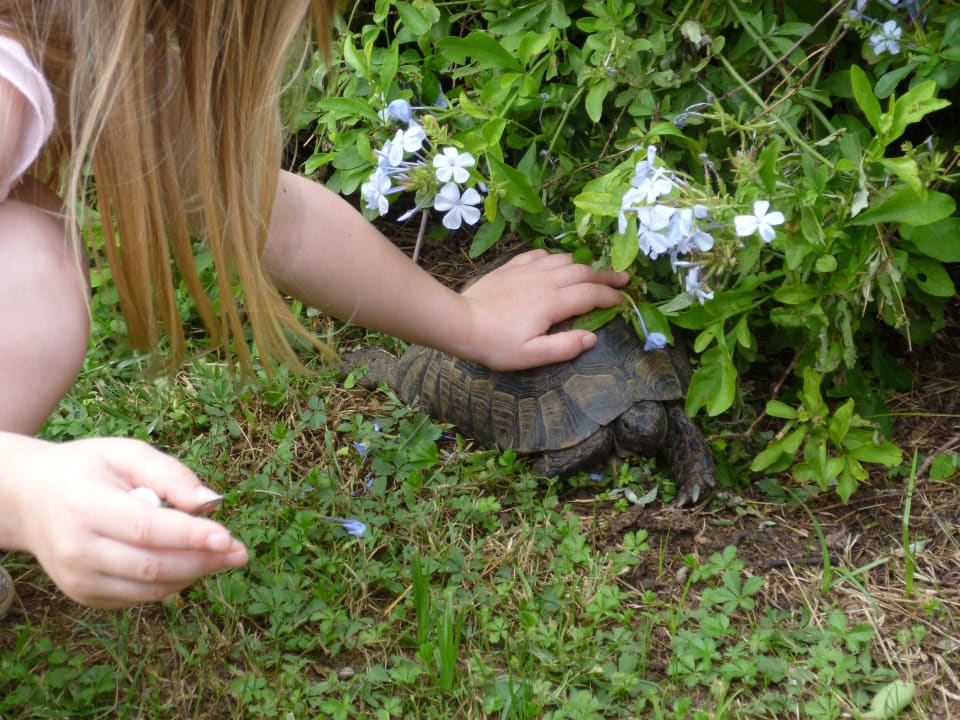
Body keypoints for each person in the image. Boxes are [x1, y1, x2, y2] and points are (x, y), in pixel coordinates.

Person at [0, 1, 628, 615]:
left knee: (31, 254)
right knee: (35, 272)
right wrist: (28, 492)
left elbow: (272, 215)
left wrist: (468, 322)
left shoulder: (100, 53)